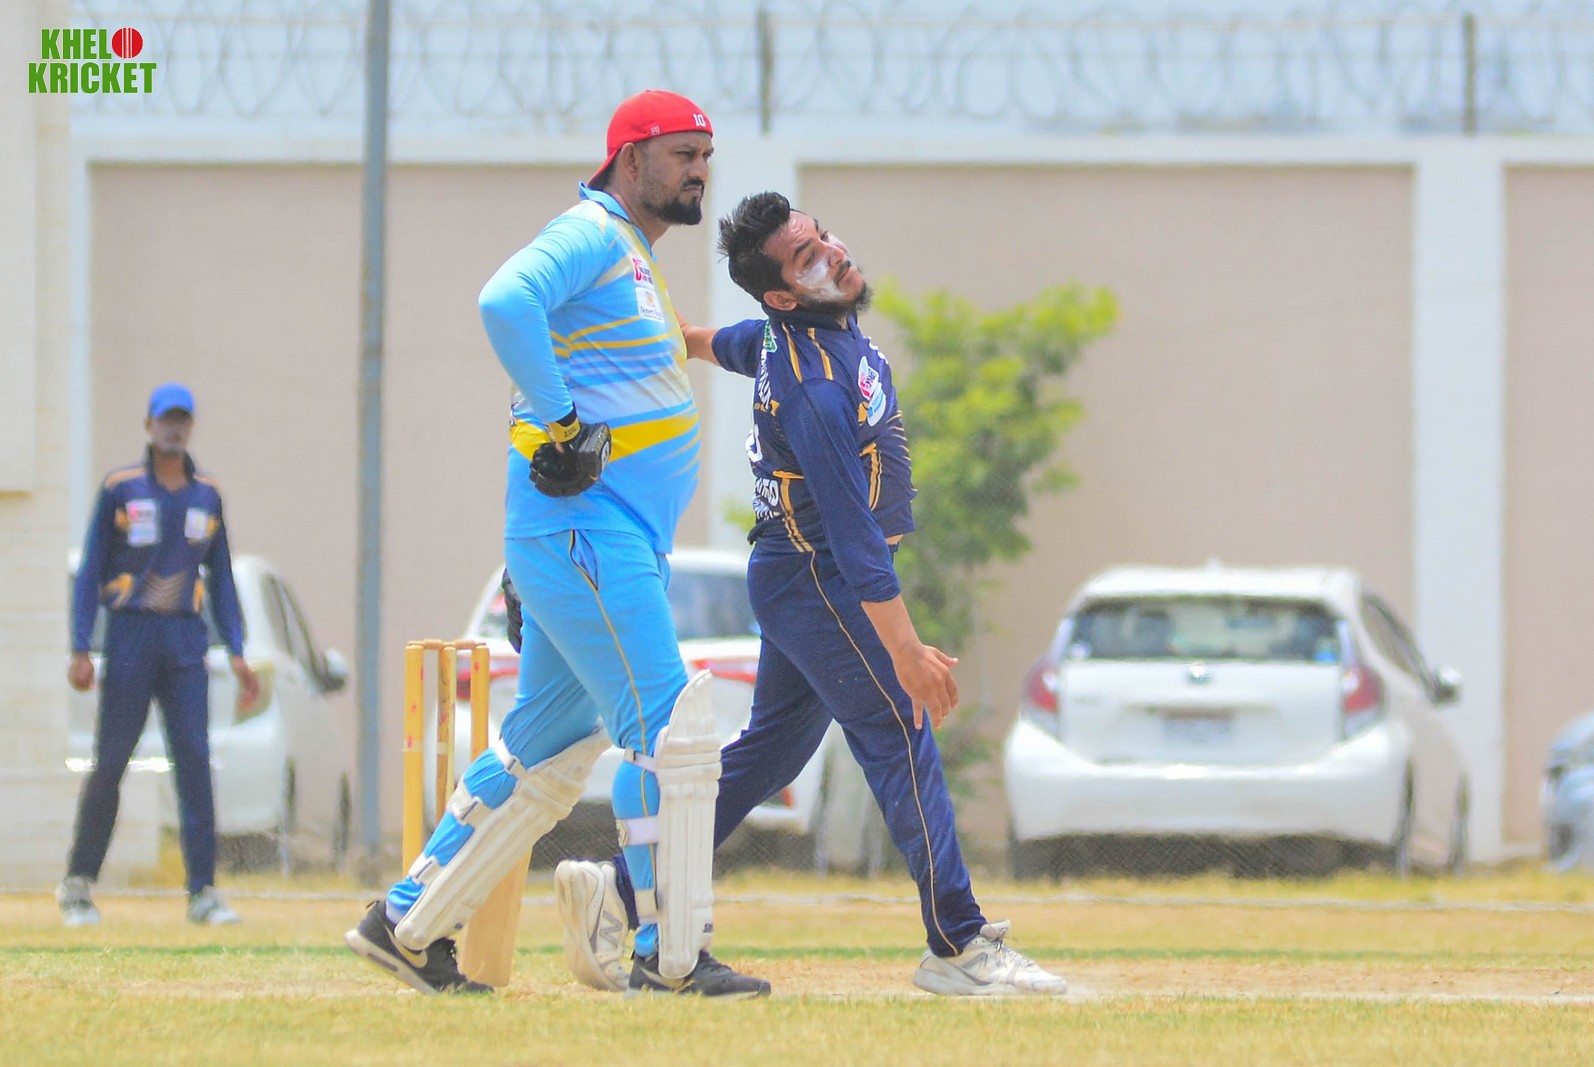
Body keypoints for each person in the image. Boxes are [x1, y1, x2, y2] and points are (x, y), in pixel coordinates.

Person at [553, 192, 1070, 997]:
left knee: (770, 753)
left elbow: (731, 341)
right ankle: (959, 944)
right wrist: (906, 650)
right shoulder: (817, 390)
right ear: (784, 294)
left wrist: (678, 336)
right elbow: (855, 537)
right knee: (900, 732)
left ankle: (620, 891)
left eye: (822, 235)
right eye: (806, 257)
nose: (833, 252)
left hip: (795, 577)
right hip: (817, 579)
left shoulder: (796, 332)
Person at [344, 90, 769, 998]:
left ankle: (407, 925)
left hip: (590, 536)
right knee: (668, 734)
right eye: (682, 153)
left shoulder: (632, 253)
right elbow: (505, 301)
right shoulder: (593, 231)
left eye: (706, 155)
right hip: (587, 530)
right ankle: (671, 956)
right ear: (629, 160)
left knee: (547, 747)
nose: (700, 170)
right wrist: (564, 422)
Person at [61, 382, 259, 927]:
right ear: (149, 425)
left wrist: (237, 649)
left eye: (182, 420)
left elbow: (221, 579)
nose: (173, 429)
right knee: (111, 761)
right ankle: (78, 885)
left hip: (184, 641)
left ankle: (203, 891)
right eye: (165, 419)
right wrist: (80, 644)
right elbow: (91, 571)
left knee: (194, 760)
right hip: (130, 635)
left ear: (190, 427)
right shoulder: (121, 488)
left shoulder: (206, 495)